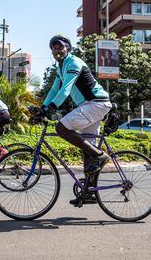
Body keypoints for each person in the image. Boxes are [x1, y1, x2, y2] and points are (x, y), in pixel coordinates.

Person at [31, 35, 112, 206]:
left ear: (68, 48)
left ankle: (100, 155)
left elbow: (66, 90)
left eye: (61, 47)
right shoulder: (61, 67)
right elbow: (54, 90)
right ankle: (89, 192)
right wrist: (42, 108)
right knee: (87, 150)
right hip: (90, 106)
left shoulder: (74, 63)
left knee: (61, 128)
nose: (57, 50)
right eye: (54, 47)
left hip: (96, 103)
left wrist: (51, 108)